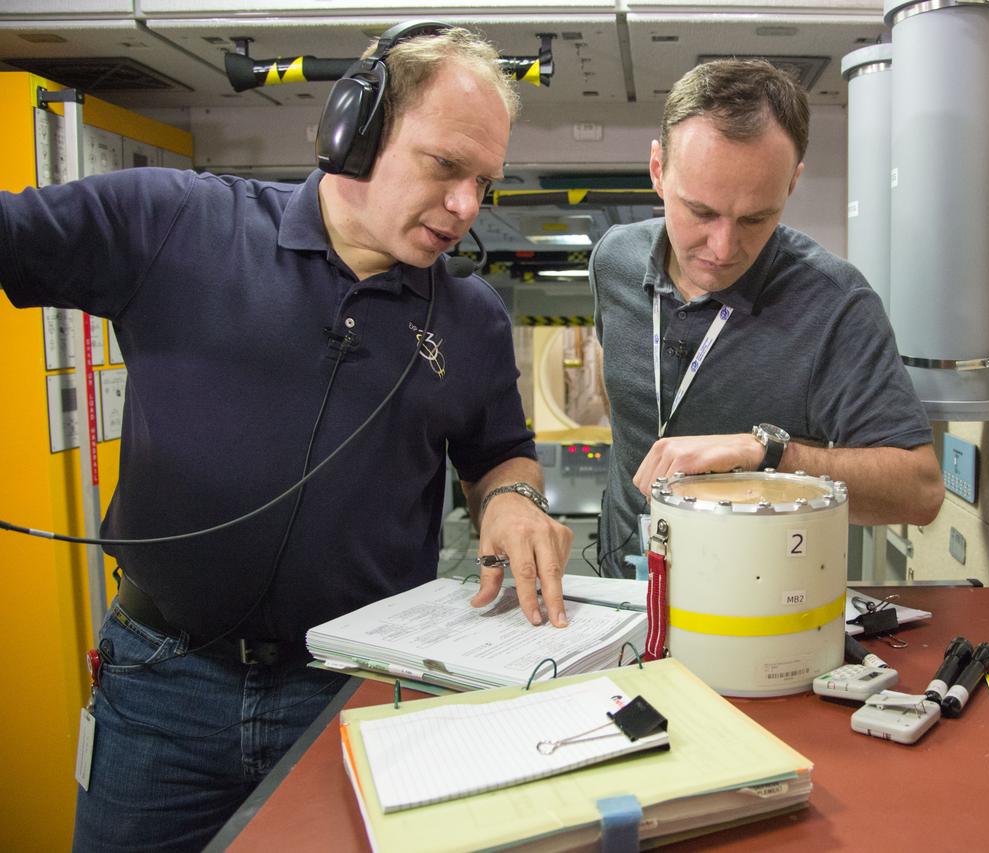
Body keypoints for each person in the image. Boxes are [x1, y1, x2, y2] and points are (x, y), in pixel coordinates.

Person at [0, 25, 572, 851]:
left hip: (357, 686)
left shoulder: (472, 317)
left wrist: (513, 497)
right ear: (356, 133)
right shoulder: (177, 221)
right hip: (162, 686)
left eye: (485, 181)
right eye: (446, 167)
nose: (467, 207)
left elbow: (498, 452)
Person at [590, 59, 943, 577]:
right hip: (623, 582)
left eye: (756, 218)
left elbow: (920, 492)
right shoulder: (613, 260)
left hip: (755, 611)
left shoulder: (836, 305)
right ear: (658, 169)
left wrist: (765, 454)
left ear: (792, 182)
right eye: (701, 211)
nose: (723, 247)